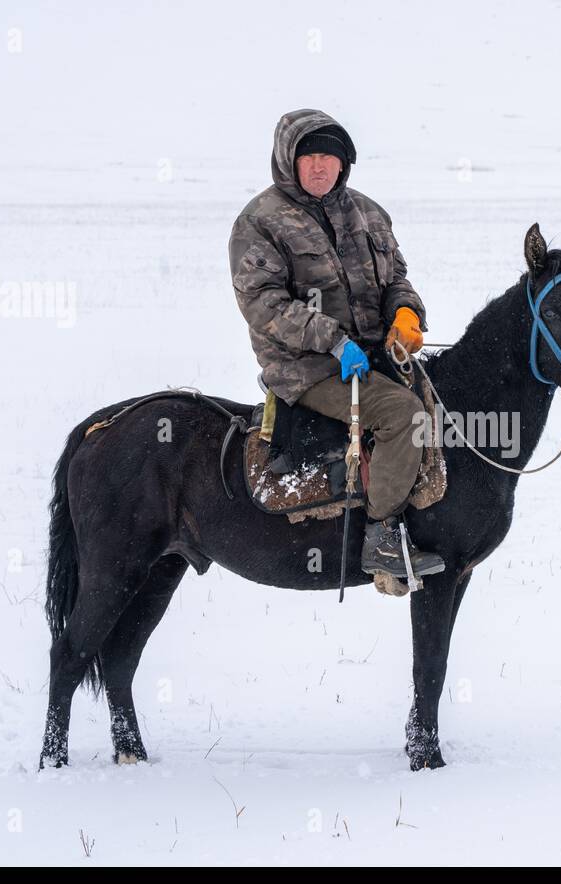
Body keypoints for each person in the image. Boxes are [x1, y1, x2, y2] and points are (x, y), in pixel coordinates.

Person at [228, 108, 445, 578]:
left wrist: (406, 313)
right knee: (403, 415)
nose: (321, 167)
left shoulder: (367, 213)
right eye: (309, 157)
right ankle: (382, 539)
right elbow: (262, 305)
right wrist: (333, 341)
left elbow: (396, 281)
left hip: (371, 356)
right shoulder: (260, 221)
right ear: (288, 160)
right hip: (307, 369)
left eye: (330, 156)